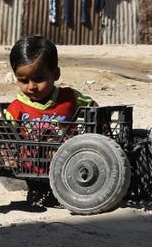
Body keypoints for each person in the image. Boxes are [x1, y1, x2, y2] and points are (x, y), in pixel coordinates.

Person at [6, 35, 95, 204]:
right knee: (41, 199)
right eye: (23, 81)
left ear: (55, 74)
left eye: (39, 79)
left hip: (70, 165)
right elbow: (4, 138)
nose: (31, 86)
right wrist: (8, 156)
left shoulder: (69, 97)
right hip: (33, 167)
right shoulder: (16, 108)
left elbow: (94, 108)